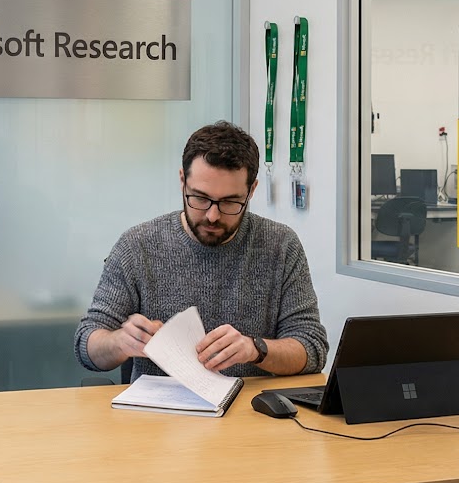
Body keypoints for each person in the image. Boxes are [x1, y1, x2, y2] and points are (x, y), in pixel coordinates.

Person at [75, 120, 327, 380]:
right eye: (200, 198)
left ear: (251, 190)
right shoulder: (137, 246)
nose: (212, 215)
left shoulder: (281, 245)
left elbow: (312, 348)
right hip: (159, 405)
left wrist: (255, 349)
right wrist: (118, 342)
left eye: (230, 202)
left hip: (249, 403)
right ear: (182, 181)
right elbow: (86, 345)